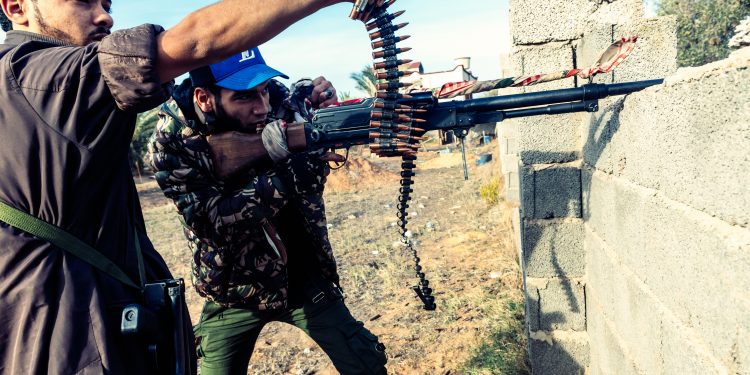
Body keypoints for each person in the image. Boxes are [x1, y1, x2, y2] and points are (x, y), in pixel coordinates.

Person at [0, 0, 351, 373]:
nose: (105, 15)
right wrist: (283, 172)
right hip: (78, 335)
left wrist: (311, 113)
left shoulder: (40, 98)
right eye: (82, 1)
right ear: (17, 6)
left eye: (106, 3)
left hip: (68, 325)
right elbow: (196, 41)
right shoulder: (37, 77)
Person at [148, 47, 388, 375]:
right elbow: (209, 220)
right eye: (245, 97)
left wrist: (315, 93)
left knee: (365, 365)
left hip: (302, 276)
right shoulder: (172, 142)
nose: (261, 107)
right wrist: (286, 178)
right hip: (232, 289)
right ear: (205, 99)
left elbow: (297, 100)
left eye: (263, 91)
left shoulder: (274, 101)